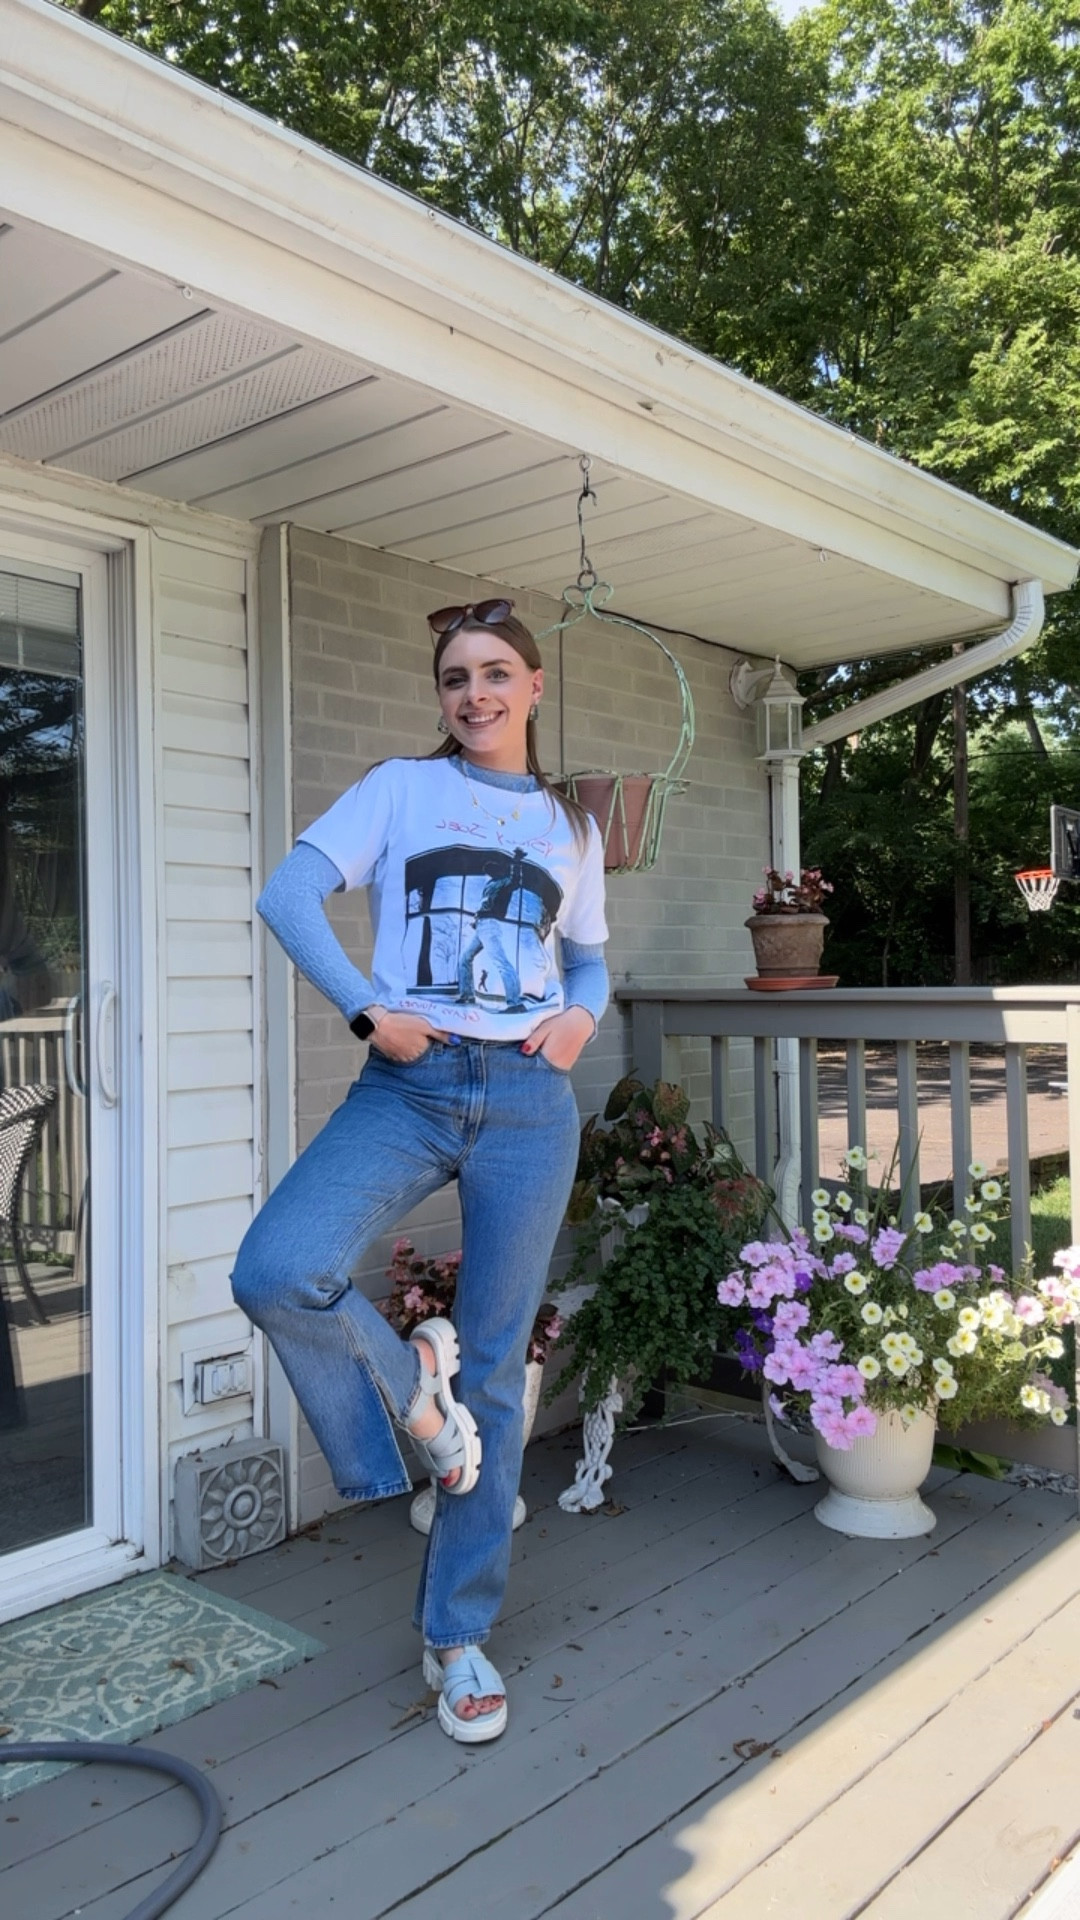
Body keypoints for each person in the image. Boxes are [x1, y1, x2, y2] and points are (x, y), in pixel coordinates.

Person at [231, 597, 609, 1744]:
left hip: (532, 1105)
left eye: (497, 673)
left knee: (497, 1370)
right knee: (278, 1268)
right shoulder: (400, 788)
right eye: (456, 678)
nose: (476, 694)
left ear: (534, 687)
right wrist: (364, 1010)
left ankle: (457, 1638)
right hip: (409, 1083)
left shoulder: (572, 827)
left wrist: (580, 1021)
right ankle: (409, 1413)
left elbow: (587, 958)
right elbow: (287, 895)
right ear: (440, 698)